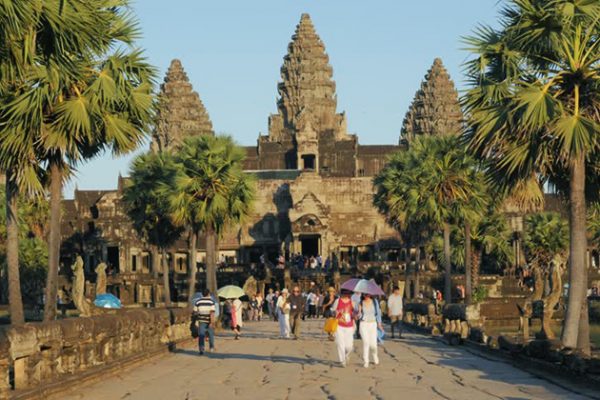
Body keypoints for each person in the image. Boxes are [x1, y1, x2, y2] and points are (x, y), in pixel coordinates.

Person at [357, 293, 383, 368]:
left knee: (373, 344)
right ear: (363, 295)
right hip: (363, 324)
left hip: (372, 324)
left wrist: (379, 323)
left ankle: (375, 357)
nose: (367, 296)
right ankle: (366, 361)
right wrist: (358, 314)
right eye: (365, 295)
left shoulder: (375, 302)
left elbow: (378, 313)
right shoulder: (360, 303)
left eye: (368, 294)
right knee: (366, 342)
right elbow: (359, 315)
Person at [332, 289, 356, 367]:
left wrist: (355, 314)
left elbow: (355, 313)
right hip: (339, 325)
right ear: (342, 294)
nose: (346, 295)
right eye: (345, 293)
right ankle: (342, 361)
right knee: (340, 344)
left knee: (349, 346)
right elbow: (332, 310)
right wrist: (336, 312)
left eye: (348, 293)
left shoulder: (352, 302)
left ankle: (347, 355)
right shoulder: (337, 301)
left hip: (349, 326)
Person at [193, 289, 216, 355]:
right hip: (209, 320)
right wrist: (212, 322)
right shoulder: (211, 302)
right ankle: (211, 348)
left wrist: (199, 313)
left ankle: (201, 349)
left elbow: (195, 312)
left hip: (201, 320)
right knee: (211, 334)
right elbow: (212, 313)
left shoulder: (198, 302)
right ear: (208, 294)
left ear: (202, 294)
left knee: (201, 335)